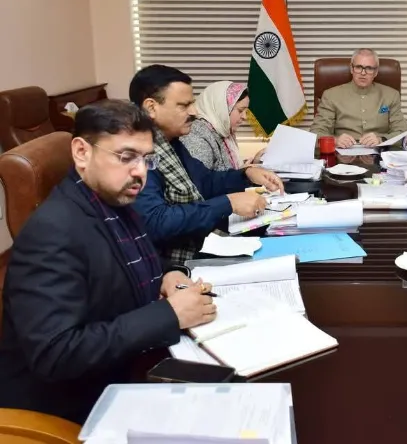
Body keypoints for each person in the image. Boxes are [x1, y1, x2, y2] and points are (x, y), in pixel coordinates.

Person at [0, 101, 217, 424]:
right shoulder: (52, 233)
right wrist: (168, 314)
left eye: (147, 159)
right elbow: (56, 354)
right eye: (126, 157)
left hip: (124, 375)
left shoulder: (113, 200)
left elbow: (133, 258)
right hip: (70, 411)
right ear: (81, 152)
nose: (140, 171)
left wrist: (167, 275)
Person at [129, 65, 284, 265]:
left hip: (199, 246)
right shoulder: (136, 153)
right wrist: (228, 203)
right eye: (184, 105)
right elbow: (155, 222)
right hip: (170, 267)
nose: (194, 112)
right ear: (151, 107)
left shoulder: (170, 141)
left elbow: (205, 180)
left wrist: (247, 174)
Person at [309, 48, 407, 148]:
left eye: (369, 68)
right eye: (358, 67)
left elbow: (403, 133)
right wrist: (335, 140)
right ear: (352, 69)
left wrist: (381, 139)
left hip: (379, 155)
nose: (363, 73)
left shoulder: (391, 95)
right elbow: (315, 133)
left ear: (376, 72)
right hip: (342, 156)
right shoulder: (330, 95)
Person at [180, 80, 253, 170]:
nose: (245, 117)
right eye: (240, 111)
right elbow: (202, 182)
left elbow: (225, 168)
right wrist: (243, 175)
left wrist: (254, 164)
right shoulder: (196, 136)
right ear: (222, 108)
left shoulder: (221, 130)